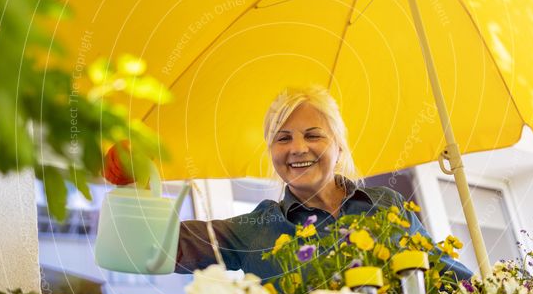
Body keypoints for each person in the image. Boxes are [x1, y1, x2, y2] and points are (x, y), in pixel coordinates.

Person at [175, 86, 472, 282]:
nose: (298, 148)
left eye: (313, 135)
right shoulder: (257, 228)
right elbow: (163, 246)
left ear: (339, 147)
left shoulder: (386, 204)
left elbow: (448, 276)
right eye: (283, 138)